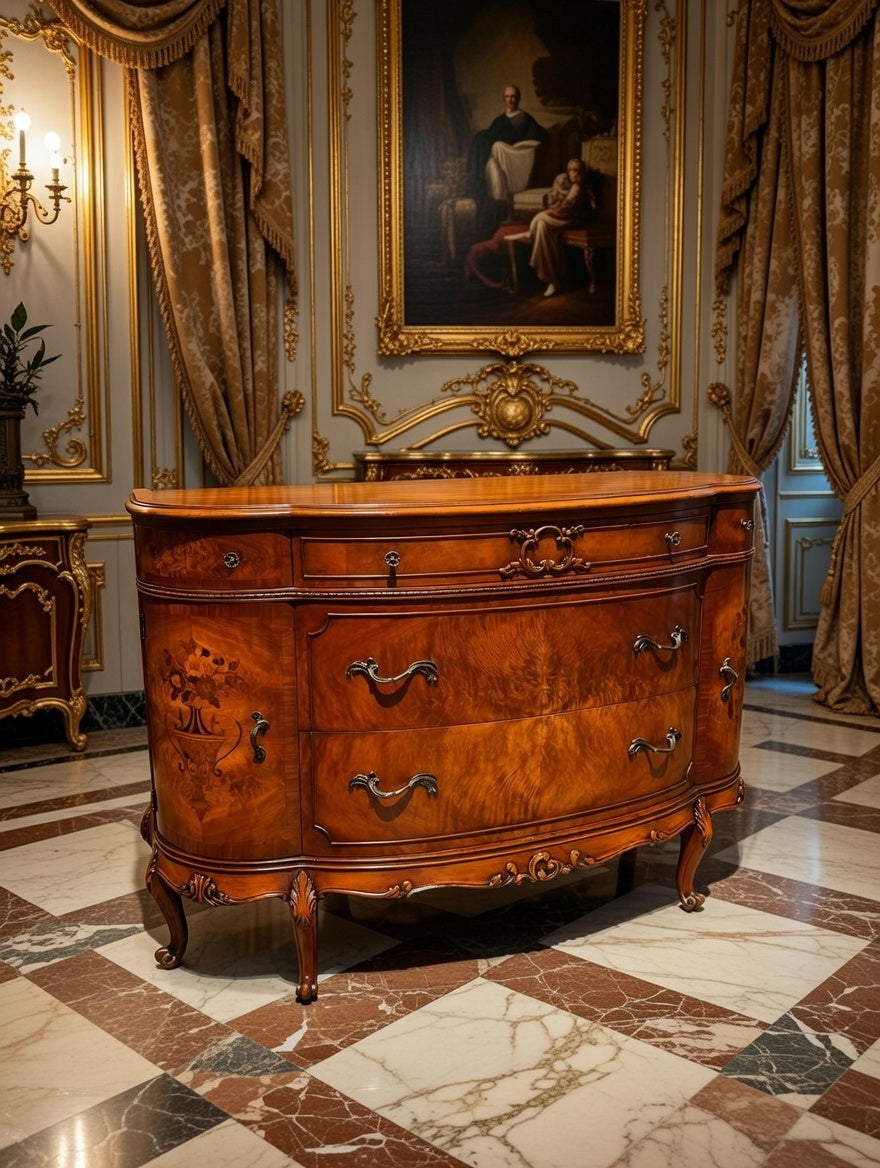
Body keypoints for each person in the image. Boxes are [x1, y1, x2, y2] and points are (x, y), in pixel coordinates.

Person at [466, 85, 549, 225]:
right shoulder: (499, 119)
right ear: (504, 98)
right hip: (500, 155)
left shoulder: (524, 118)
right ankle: (496, 205)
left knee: (496, 145)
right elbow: (491, 133)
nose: (510, 100)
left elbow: (541, 137)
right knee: (483, 144)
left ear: (518, 98)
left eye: (513, 97)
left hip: (515, 157)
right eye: (507, 97)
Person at [527, 157, 589, 297]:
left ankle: (552, 277)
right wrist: (551, 205)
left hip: (569, 220)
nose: (573, 173)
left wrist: (545, 213)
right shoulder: (566, 184)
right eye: (570, 170)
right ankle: (551, 278)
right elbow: (556, 204)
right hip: (560, 217)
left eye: (576, 170)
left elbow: (565, 210)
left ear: (581, 172)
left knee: (540, 219)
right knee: (542, 225)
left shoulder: (578, 187)